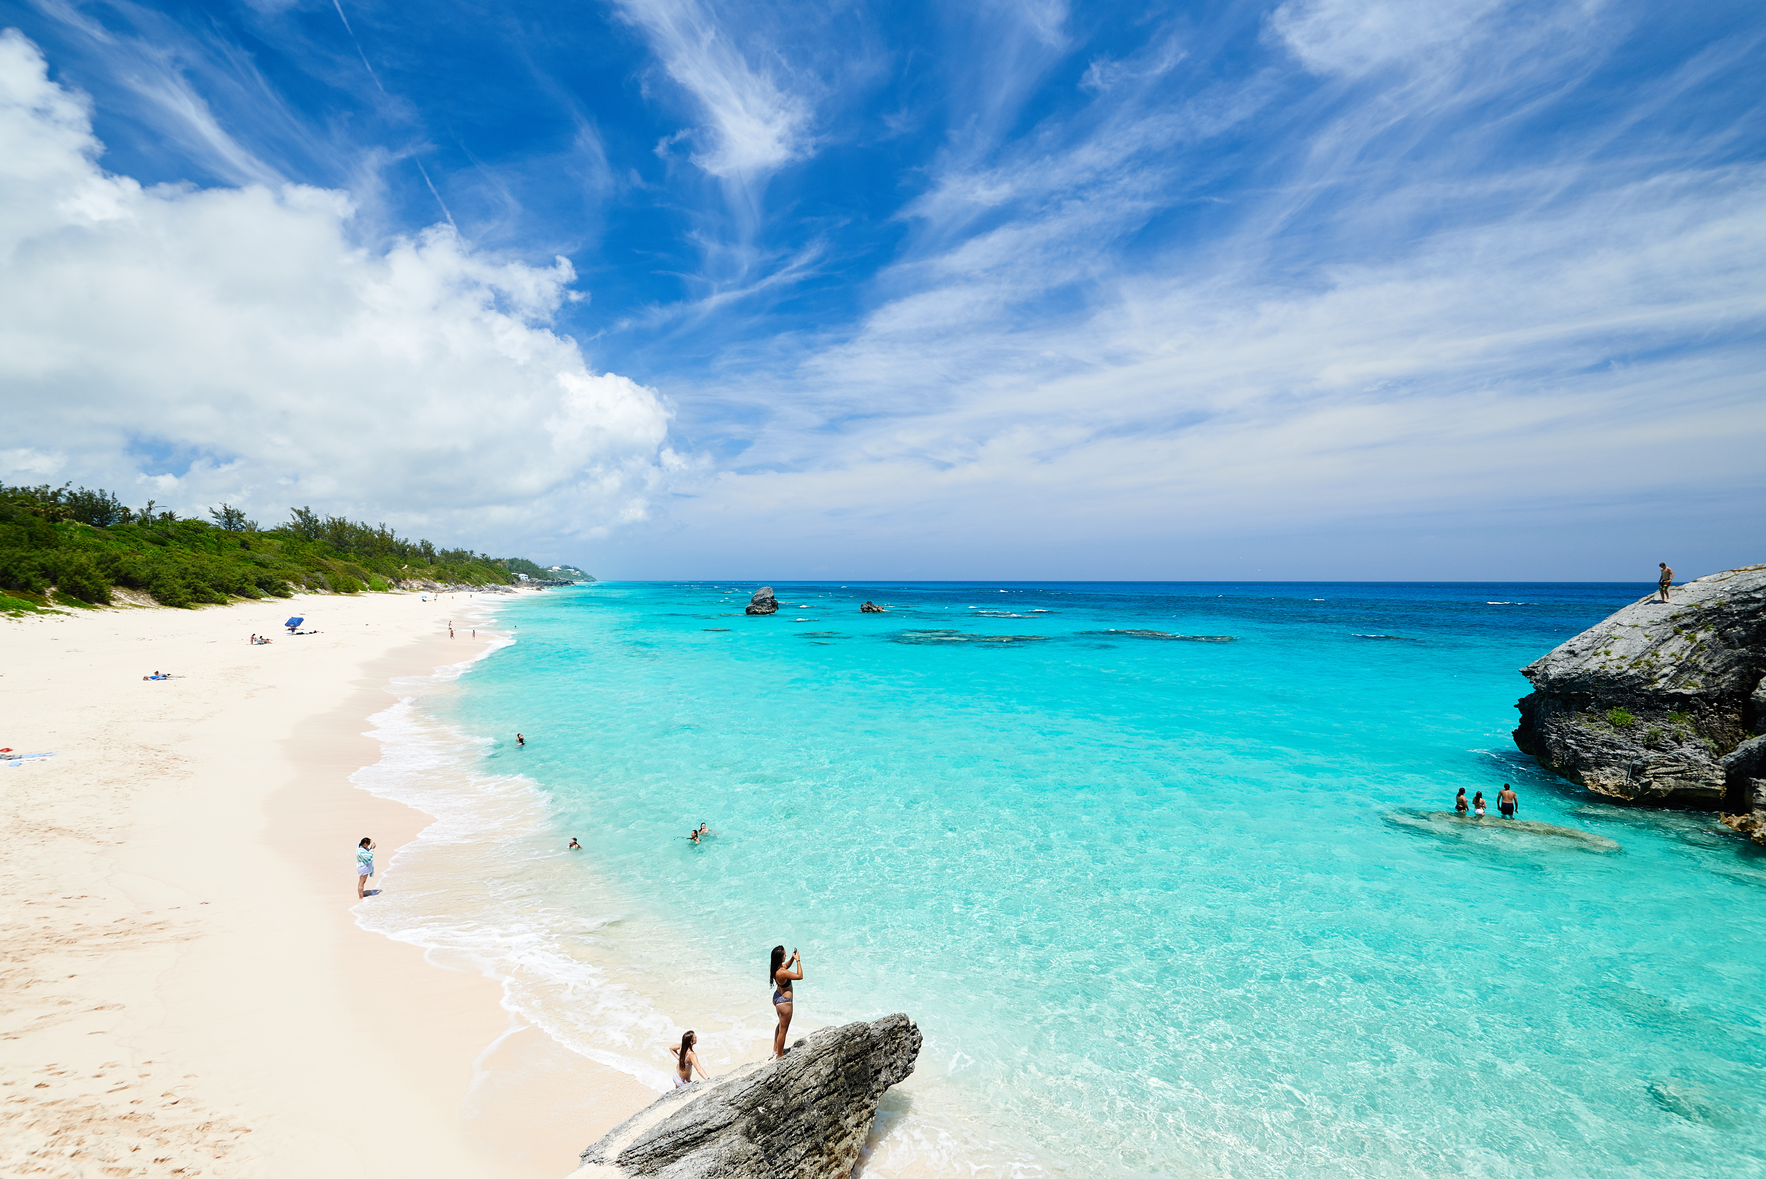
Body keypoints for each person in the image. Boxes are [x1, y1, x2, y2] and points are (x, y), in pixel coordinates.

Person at [770, 945, 802, 1059]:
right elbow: (800, 976)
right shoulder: (782, 972)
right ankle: (779, 1056)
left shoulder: (776, 968)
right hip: (785, 1002)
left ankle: (775, 1049)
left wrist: (792, 959)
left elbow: (786, 966)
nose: (786, 955)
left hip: (778, 997)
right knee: (783, 1030)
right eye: (784, 954)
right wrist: (798, 960)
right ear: (780, 957)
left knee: (780, 1025)